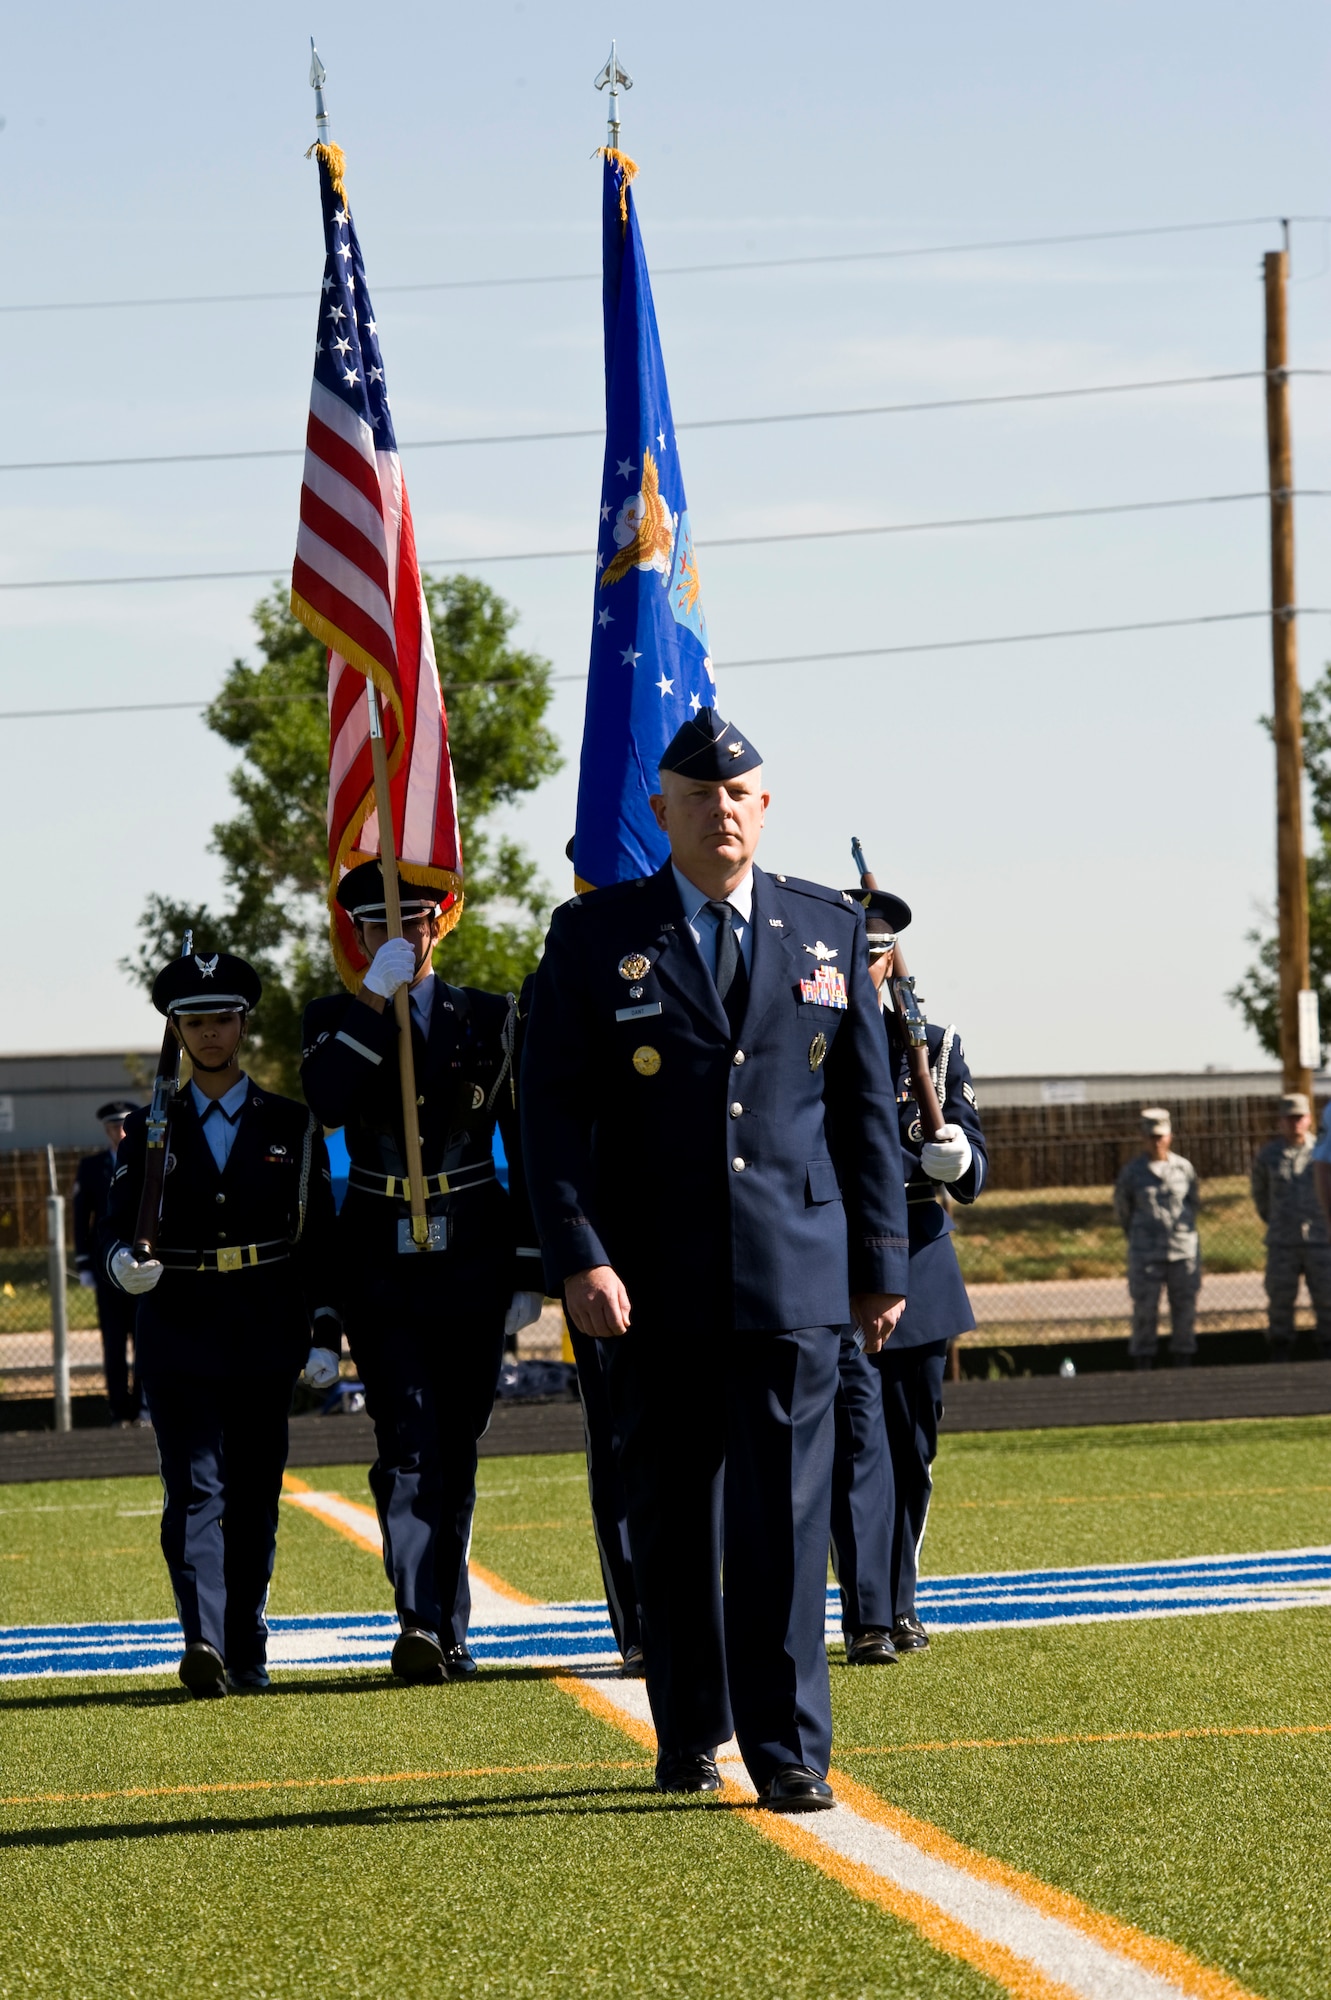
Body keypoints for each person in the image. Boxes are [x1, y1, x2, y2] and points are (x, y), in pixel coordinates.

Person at [521, 708, 909, 1811]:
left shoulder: (826, 928)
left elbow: (863, 1108)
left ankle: (789, 1750)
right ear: (662, 812)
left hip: (794, 1271)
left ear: (763, 807)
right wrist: (578, 1253)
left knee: (787, 1520)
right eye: (696, 796)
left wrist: (879, 1260)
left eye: (737, 795)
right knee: (675, 1511)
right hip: (649, 1278)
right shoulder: (596, 936)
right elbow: (550, 1112)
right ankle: (689, 1725)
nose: (719, 811)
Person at [300, 862, 545, 1686]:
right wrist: (375, 1001)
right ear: (358, 938)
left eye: (409, 926)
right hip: (378, 1255)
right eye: (376, 929)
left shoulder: (490, 1017)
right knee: (404, 1441)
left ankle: (451, 1622)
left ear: (437, 926)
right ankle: (418, 1621)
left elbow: (525, 1143)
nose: (394, 939)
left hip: (472, 1245)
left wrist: (527, 1267)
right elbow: (329, 1101)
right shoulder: (333, 1018)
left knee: (456, 1443)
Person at [104, 952, 342, 1698]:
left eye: (222, 1019)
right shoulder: (148, 1128)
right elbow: (115, 1228)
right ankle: (202, 1640)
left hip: (264, 1326)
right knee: (194, 1491)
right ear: (176, 1029)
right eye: (195, 1021)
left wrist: (325, 1332)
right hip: (178, 1328)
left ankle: (248, 1646)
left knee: (252, 1495)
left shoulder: (291, 1124)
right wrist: (121, 1262)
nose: (210, 1034)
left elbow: (319, 1239)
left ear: (243, 1024)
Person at [830, 888, 988, 1663]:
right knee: (848, 1447)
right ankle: (868, 1612)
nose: (864, 969)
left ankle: (900, 1598)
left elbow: (972, 1163)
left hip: (918, 1255)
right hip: (834, 1254)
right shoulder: (803, 1034)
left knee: (909, 1448)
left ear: (890, 955)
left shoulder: (937, 1040)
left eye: (873, 954)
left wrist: (958, 1159)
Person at [1113, 1109, 1201, 1369]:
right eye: (1151, 1136)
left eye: (1161, 1136)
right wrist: (1140, 1236)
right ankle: (1143, 1361)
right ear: (1143, 1137)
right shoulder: (1132, 1173)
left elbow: (1193, 1204)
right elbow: (1123, 1209)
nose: (1157, 1141)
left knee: (1184, 1310)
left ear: (1170, 1137)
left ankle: (1183, 1359)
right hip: (1146, 1254)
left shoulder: (1184, 1169)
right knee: (1144, 1310)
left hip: (1182, 1251)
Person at [72, 1099, 142, 1424]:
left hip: (142, 1264)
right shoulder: (91, 1166)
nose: (119, 1131)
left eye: (124, 1125)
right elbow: (80, 1217)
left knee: (144, 1339)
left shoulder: (148, 1160)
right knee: (113, 1343)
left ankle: (144, 1406)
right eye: (113, 1126)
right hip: (106, 1268)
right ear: (105, 1130)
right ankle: (119, 1410)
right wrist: (85, 1262)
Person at [1255, 1092, 1331, 1361]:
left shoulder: (1321, 1152)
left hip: (1320, 1240)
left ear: (1309, 1119)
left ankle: (1326, 1351)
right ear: (1280, 1122)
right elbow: (1261, 1198)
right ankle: (1280, 1351)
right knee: (1280, 1301)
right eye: (1290, 1118)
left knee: (1327, 1298)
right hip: (1282, 1242)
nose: (1295, 1123)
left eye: (1300, 1118)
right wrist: (1279, 1223)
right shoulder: (1268, 1156)